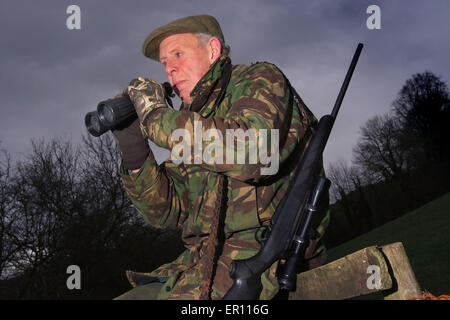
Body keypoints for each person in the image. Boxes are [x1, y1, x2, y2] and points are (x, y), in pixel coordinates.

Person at [113, 14, 328, 300]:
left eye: (178, 54)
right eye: (164, 62)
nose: (170, 70)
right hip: (198, 265)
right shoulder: (193, 123)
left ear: (213, 50)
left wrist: (156, 118)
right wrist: (133, 147)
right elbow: (166, 212)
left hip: (263, 259)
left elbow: (255, 153)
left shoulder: (258, 79)